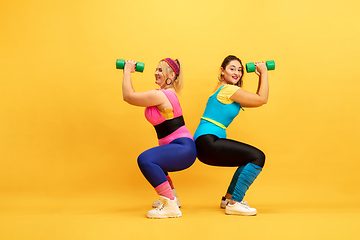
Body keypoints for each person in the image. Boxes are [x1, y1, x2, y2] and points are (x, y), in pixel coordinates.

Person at [193, 55, 269, 216]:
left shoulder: (227, 91)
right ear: (222, 71)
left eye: (240, 70)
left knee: (248, 160)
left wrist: (261, 76)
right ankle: (235, 203)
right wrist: (264, 72)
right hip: (208, 141)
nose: (237, 73)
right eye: (232, 68)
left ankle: (229, 199)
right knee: (258, 157)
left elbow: (258, 101)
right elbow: (263, 99)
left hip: (205, 143)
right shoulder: (228, 90)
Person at [122, 58, 196, 219]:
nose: (156, 73)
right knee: (157, 160)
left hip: (184, 148)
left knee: (146, 159)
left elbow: (128, 96)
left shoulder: (163, 95)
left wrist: (127, 70)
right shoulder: (162, 95)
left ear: (172, 75)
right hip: (180, 147)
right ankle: (173, 197)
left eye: (160, 70)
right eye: (156, 69)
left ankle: (170, 205)